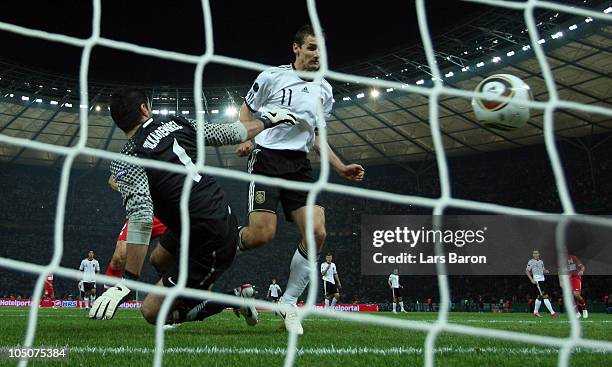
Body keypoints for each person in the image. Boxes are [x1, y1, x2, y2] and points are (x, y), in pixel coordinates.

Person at [90, 87, 297, 326]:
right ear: (144, 108)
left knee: (152, 313)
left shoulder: (127, 158)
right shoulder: (176, 122)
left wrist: (128, 281)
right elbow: (229, 132)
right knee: (158, 260)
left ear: (118, 122)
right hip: (208, 214)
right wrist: (267, 120)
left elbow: (142, 217)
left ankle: (230, 297)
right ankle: (189, 288)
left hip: (207, 236)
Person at [235, 24, 365, 335]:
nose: (317, 54)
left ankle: (289, 302)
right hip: (266, 159)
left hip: (299, 166)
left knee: (317, 231)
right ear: (296, 49)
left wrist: (340, 166)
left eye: (320, 49)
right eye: (310, 48)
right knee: (261, 236)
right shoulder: (271, 77)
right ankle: (220, 242)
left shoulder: (325, 90)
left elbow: (316, 135)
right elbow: (245, 112)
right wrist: (247, 138)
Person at [102, 175, 168, 292]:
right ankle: (105, 298)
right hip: (140, 213)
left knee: (168, 259)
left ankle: (179, 298)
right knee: (119, 256)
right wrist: (129, 191)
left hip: (165, 213)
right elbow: (112, 180)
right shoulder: (132, 159)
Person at [525, 249, 559, 318]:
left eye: (537, 253)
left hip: (542, 280)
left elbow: (542, 270)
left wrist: (545, 271)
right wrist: (531, 279)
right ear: (533, 255)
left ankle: (535, 312)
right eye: (534, 253)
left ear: (539, 254)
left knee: (539, 297)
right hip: (538, 281)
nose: (535, 254)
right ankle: (553, 313)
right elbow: (527, 271)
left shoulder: (541, 261)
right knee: (545, 296)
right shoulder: (531, 262)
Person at [565, 254, 588, 318]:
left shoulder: (573, 257)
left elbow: (582, 266)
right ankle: (577, 313)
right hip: (569, 279)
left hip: (576, 278)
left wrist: (581, 270)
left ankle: (584, 309)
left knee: (576, 294)